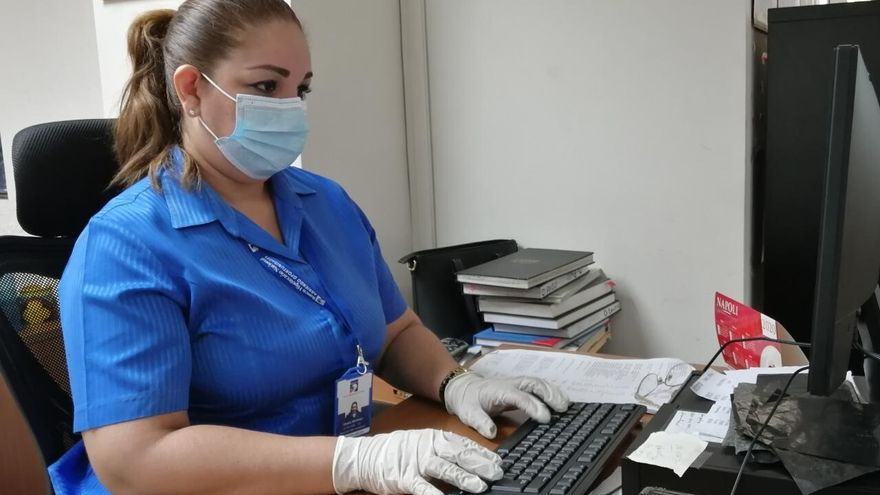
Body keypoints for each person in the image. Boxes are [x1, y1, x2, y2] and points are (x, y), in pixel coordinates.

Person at [49, 1, 570, 494]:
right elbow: (135, 460)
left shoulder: (327, 203)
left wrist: (455, 384)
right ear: (191, 90)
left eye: (300, 88)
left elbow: (396, 333)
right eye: (266, 85)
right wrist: (355, 461)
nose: (289, 107)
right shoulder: (123, 246)